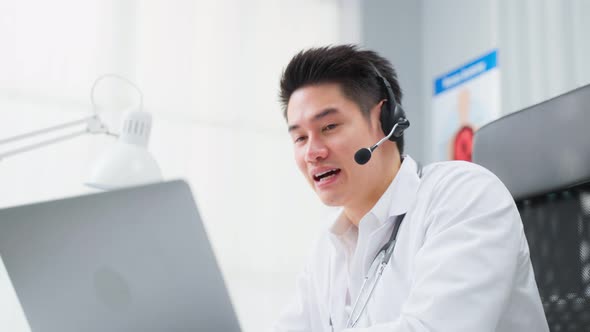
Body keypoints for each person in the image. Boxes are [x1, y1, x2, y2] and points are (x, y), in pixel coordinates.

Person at [273, 45, 549, 332]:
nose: (312, 153)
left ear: (384, 121)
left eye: (329, 127)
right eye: (300, 138)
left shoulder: (463, 195)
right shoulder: (328, 250)